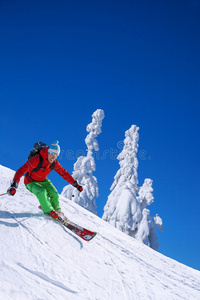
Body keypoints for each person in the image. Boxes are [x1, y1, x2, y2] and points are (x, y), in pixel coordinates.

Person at [7, 141, 83, 219]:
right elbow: (21, 170)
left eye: (56, 155)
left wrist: (76, 185)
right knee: (42, 191)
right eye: (52, 154)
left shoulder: (54, 163)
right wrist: (14, 185)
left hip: (43, 180)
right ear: (48, 152)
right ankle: (49, 211)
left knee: (54, 193)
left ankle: (57, 211)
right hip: (30, 181)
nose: (53, 158)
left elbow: (64, 173)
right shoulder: (37, 159)